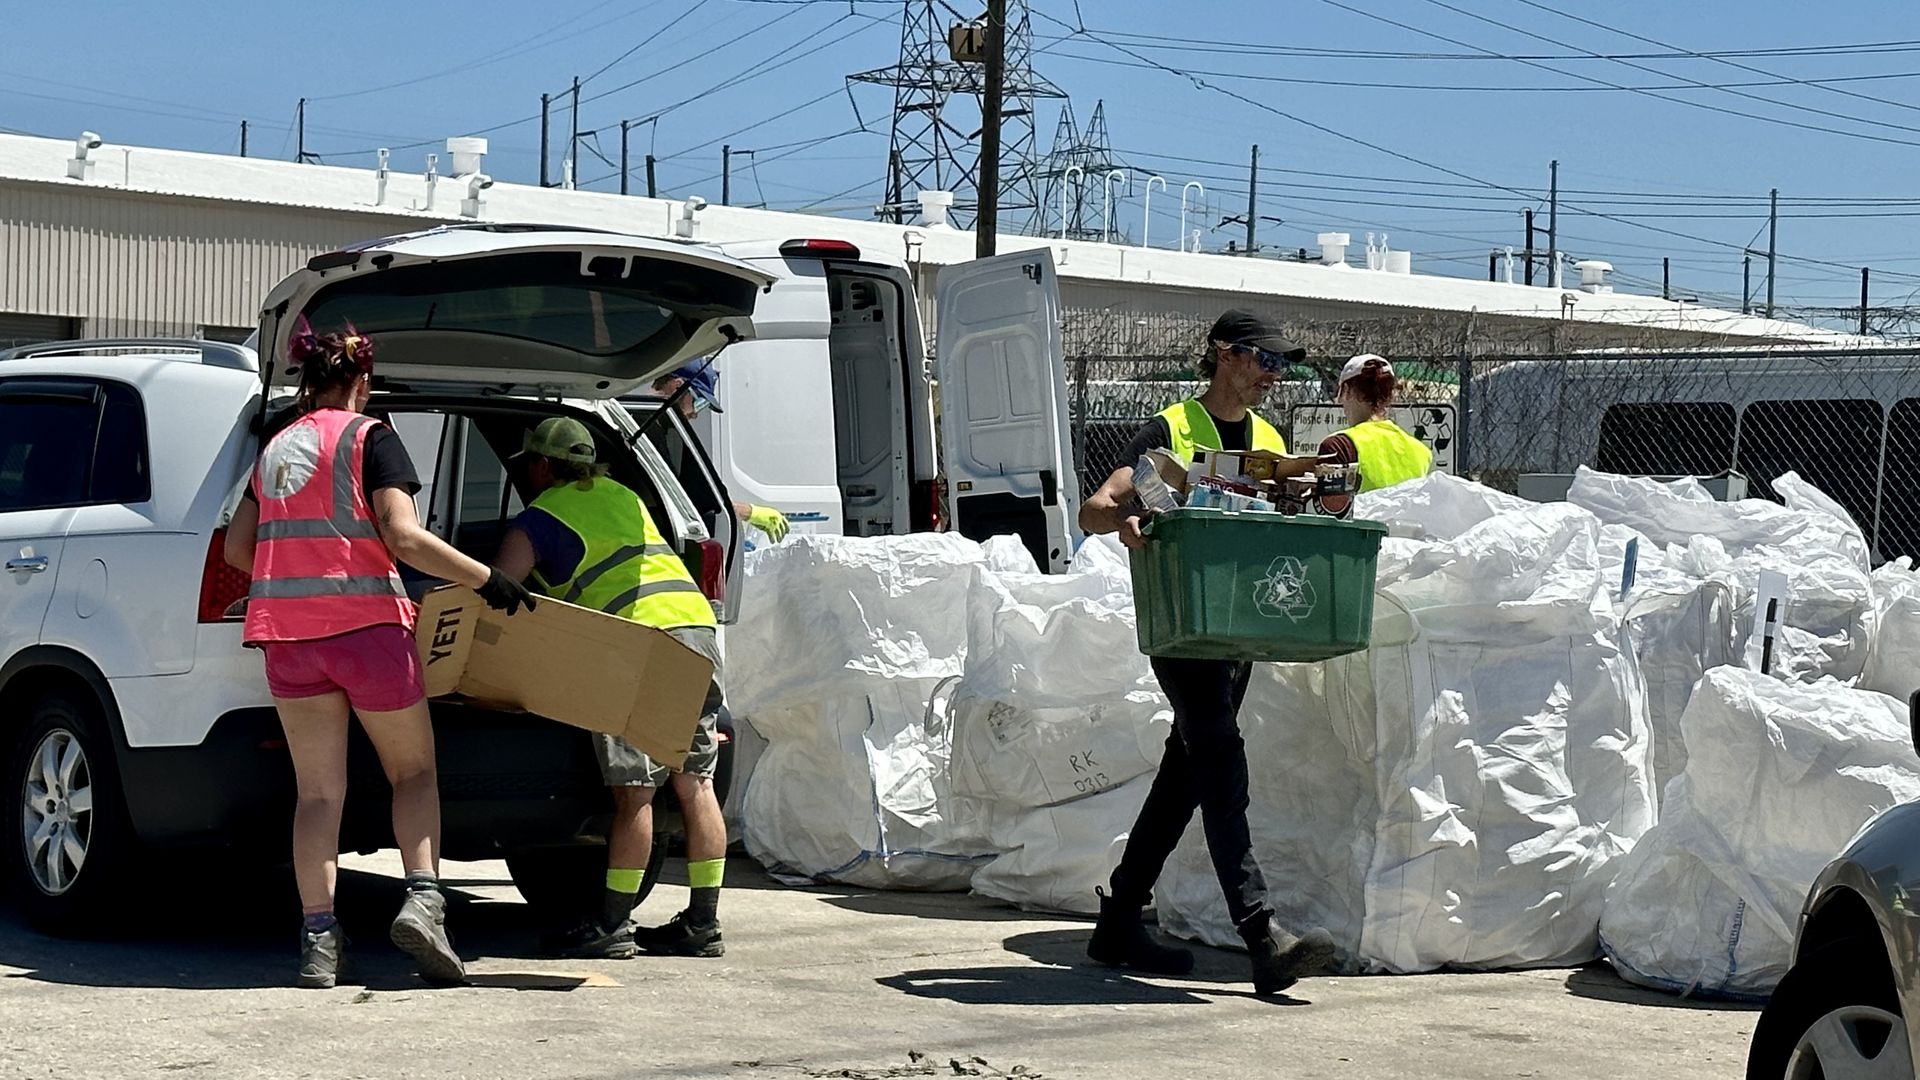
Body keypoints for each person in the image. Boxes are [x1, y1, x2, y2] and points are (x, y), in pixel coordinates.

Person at [225, 325, 537, 990]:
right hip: (366, 629)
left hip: (287, 637)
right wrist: (487, 579)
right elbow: (403, 535)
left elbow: (237, 550)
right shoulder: (371, 438)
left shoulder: (275, 449)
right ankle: (424, 902)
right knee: (415, 773)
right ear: (361, 383)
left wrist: (295, 575)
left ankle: (317, 942)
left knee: (317, 795)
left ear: (310, 381)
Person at [1076, 309, 1337, 997]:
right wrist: (1124, 517)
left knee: (1186, 772)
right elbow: (1094, 507)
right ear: (1226, 355)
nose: (1274, 377)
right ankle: (1261, 934)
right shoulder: (1171, 431)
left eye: (1282, 367)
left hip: (1239, 624)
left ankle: (1121, 918)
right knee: (1220, 755)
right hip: (1184, 622)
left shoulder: (1269, 439)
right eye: (1265, 363)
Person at [494, 417, 732, 960]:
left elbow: (498, 591)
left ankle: (611, 922)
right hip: (694, 629)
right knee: (695, 783)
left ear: (541, 465)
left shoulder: (537, 519)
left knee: (635, 794)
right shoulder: (627, 493)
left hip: (635, 643)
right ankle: (702, 922)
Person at [651, 364, 790, 543]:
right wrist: (750, 512)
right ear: (677, 387)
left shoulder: (655, 427)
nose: (694, 414)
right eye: (699, 402)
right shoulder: (649, 429)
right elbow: (694, 503)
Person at [1314, 354, 1433, 516]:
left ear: (1347, 391)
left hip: (1361, 539)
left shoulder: (1339, 445)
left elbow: (1330, 515)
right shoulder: (1421, 451)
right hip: (1404, 539)